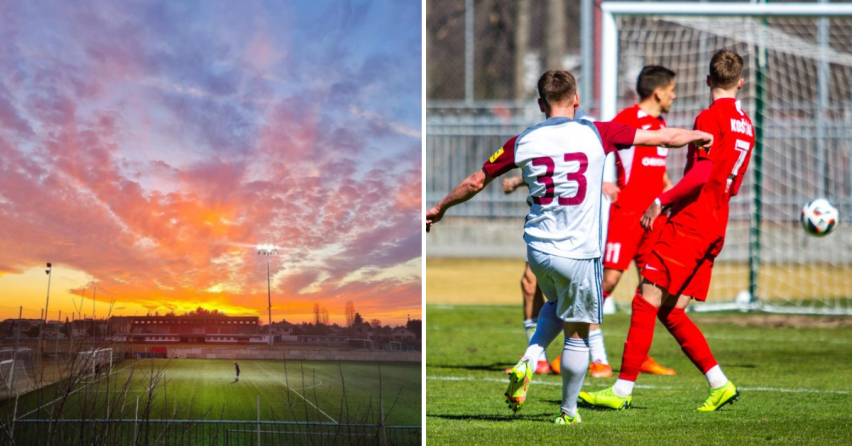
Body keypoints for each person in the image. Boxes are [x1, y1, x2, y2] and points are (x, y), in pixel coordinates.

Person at [426, 69, 712, 424]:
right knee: (577, 334)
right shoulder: (597, 132)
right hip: (578, 252)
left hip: (539, 250)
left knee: (557, 303)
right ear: (576, 100)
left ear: (540, 104)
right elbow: (665, 138)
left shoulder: (522, 140)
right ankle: (568, 412)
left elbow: (475, 181)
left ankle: (530, 359)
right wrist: (698, 135)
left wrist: (440, 208)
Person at [579, 49, 752, 412]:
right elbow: (728, 182)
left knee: (646, 296)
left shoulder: (709, 116)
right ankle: (720, 384)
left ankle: (621, 390)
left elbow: (702, 174)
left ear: (708, 80)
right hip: (718, 223)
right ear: (740, 82)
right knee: (671, 309)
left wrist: (663, 200)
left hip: (691, 222)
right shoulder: (747, 125)